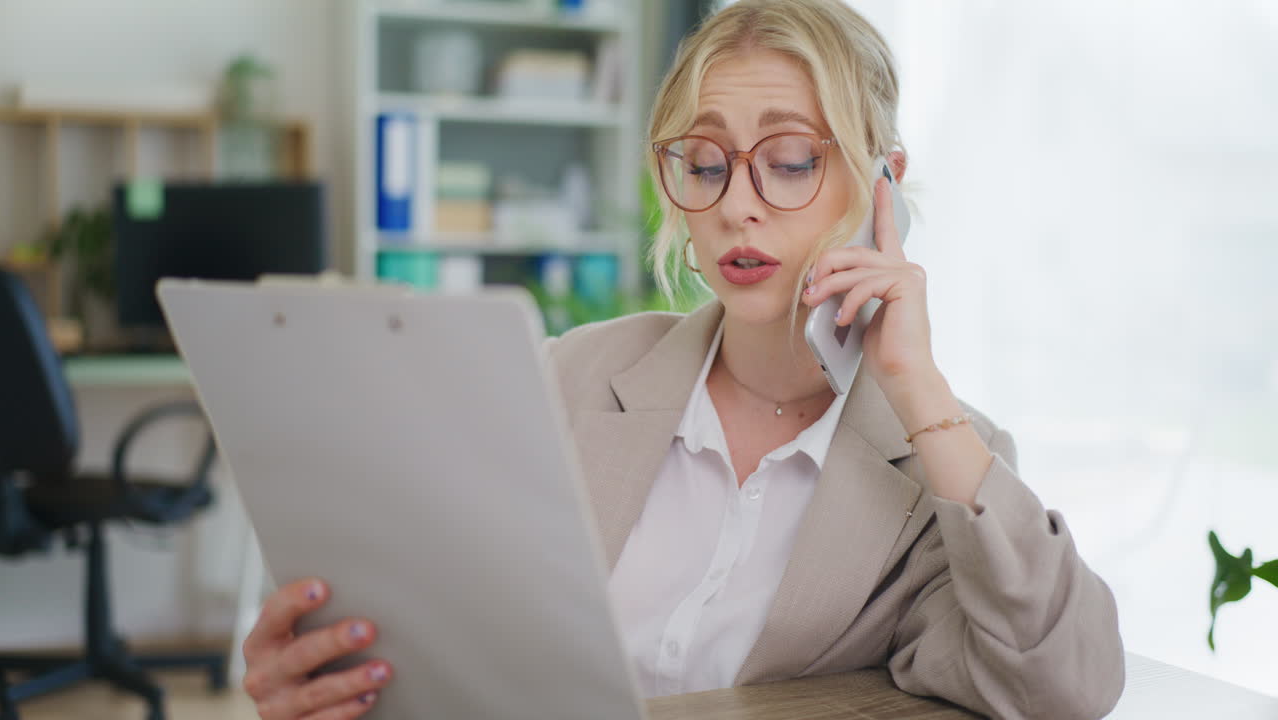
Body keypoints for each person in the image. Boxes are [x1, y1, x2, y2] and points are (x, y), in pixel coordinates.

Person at [240, 1, 1125, 718]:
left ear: (880, 182)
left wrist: (919, 388)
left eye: (787, 162)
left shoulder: (940, 469)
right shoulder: (569, 377)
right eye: (704, 166)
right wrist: (329, 676)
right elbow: (439, 632)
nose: (739, 205)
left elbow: (1062, 688)